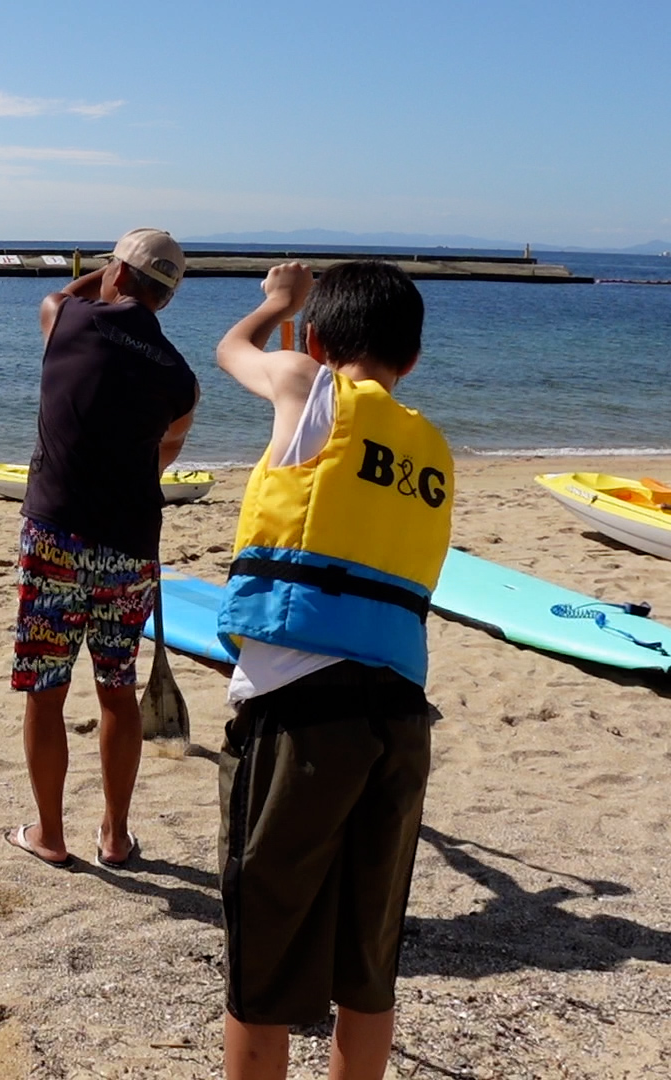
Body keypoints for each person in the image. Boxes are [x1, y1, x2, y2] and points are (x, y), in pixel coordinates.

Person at [210, 260, 453, 1080]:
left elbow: (231, 350)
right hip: (399, 719)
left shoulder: (306, 384)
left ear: (315, 342)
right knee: (367, 962)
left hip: (301, 718)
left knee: (265, 966)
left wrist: (277, 303)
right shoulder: (429, 449)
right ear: (411, 362)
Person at [5, 228, 198, 870]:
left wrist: (101, 275)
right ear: (167, 299)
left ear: (115, 274)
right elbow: (164, 452)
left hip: (57, 536)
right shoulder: (179, 379)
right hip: (130, 546)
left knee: (46, 690)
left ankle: (51, 836)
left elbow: (59, 294)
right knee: (117, 689)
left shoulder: (69, 318)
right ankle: (115, 837)